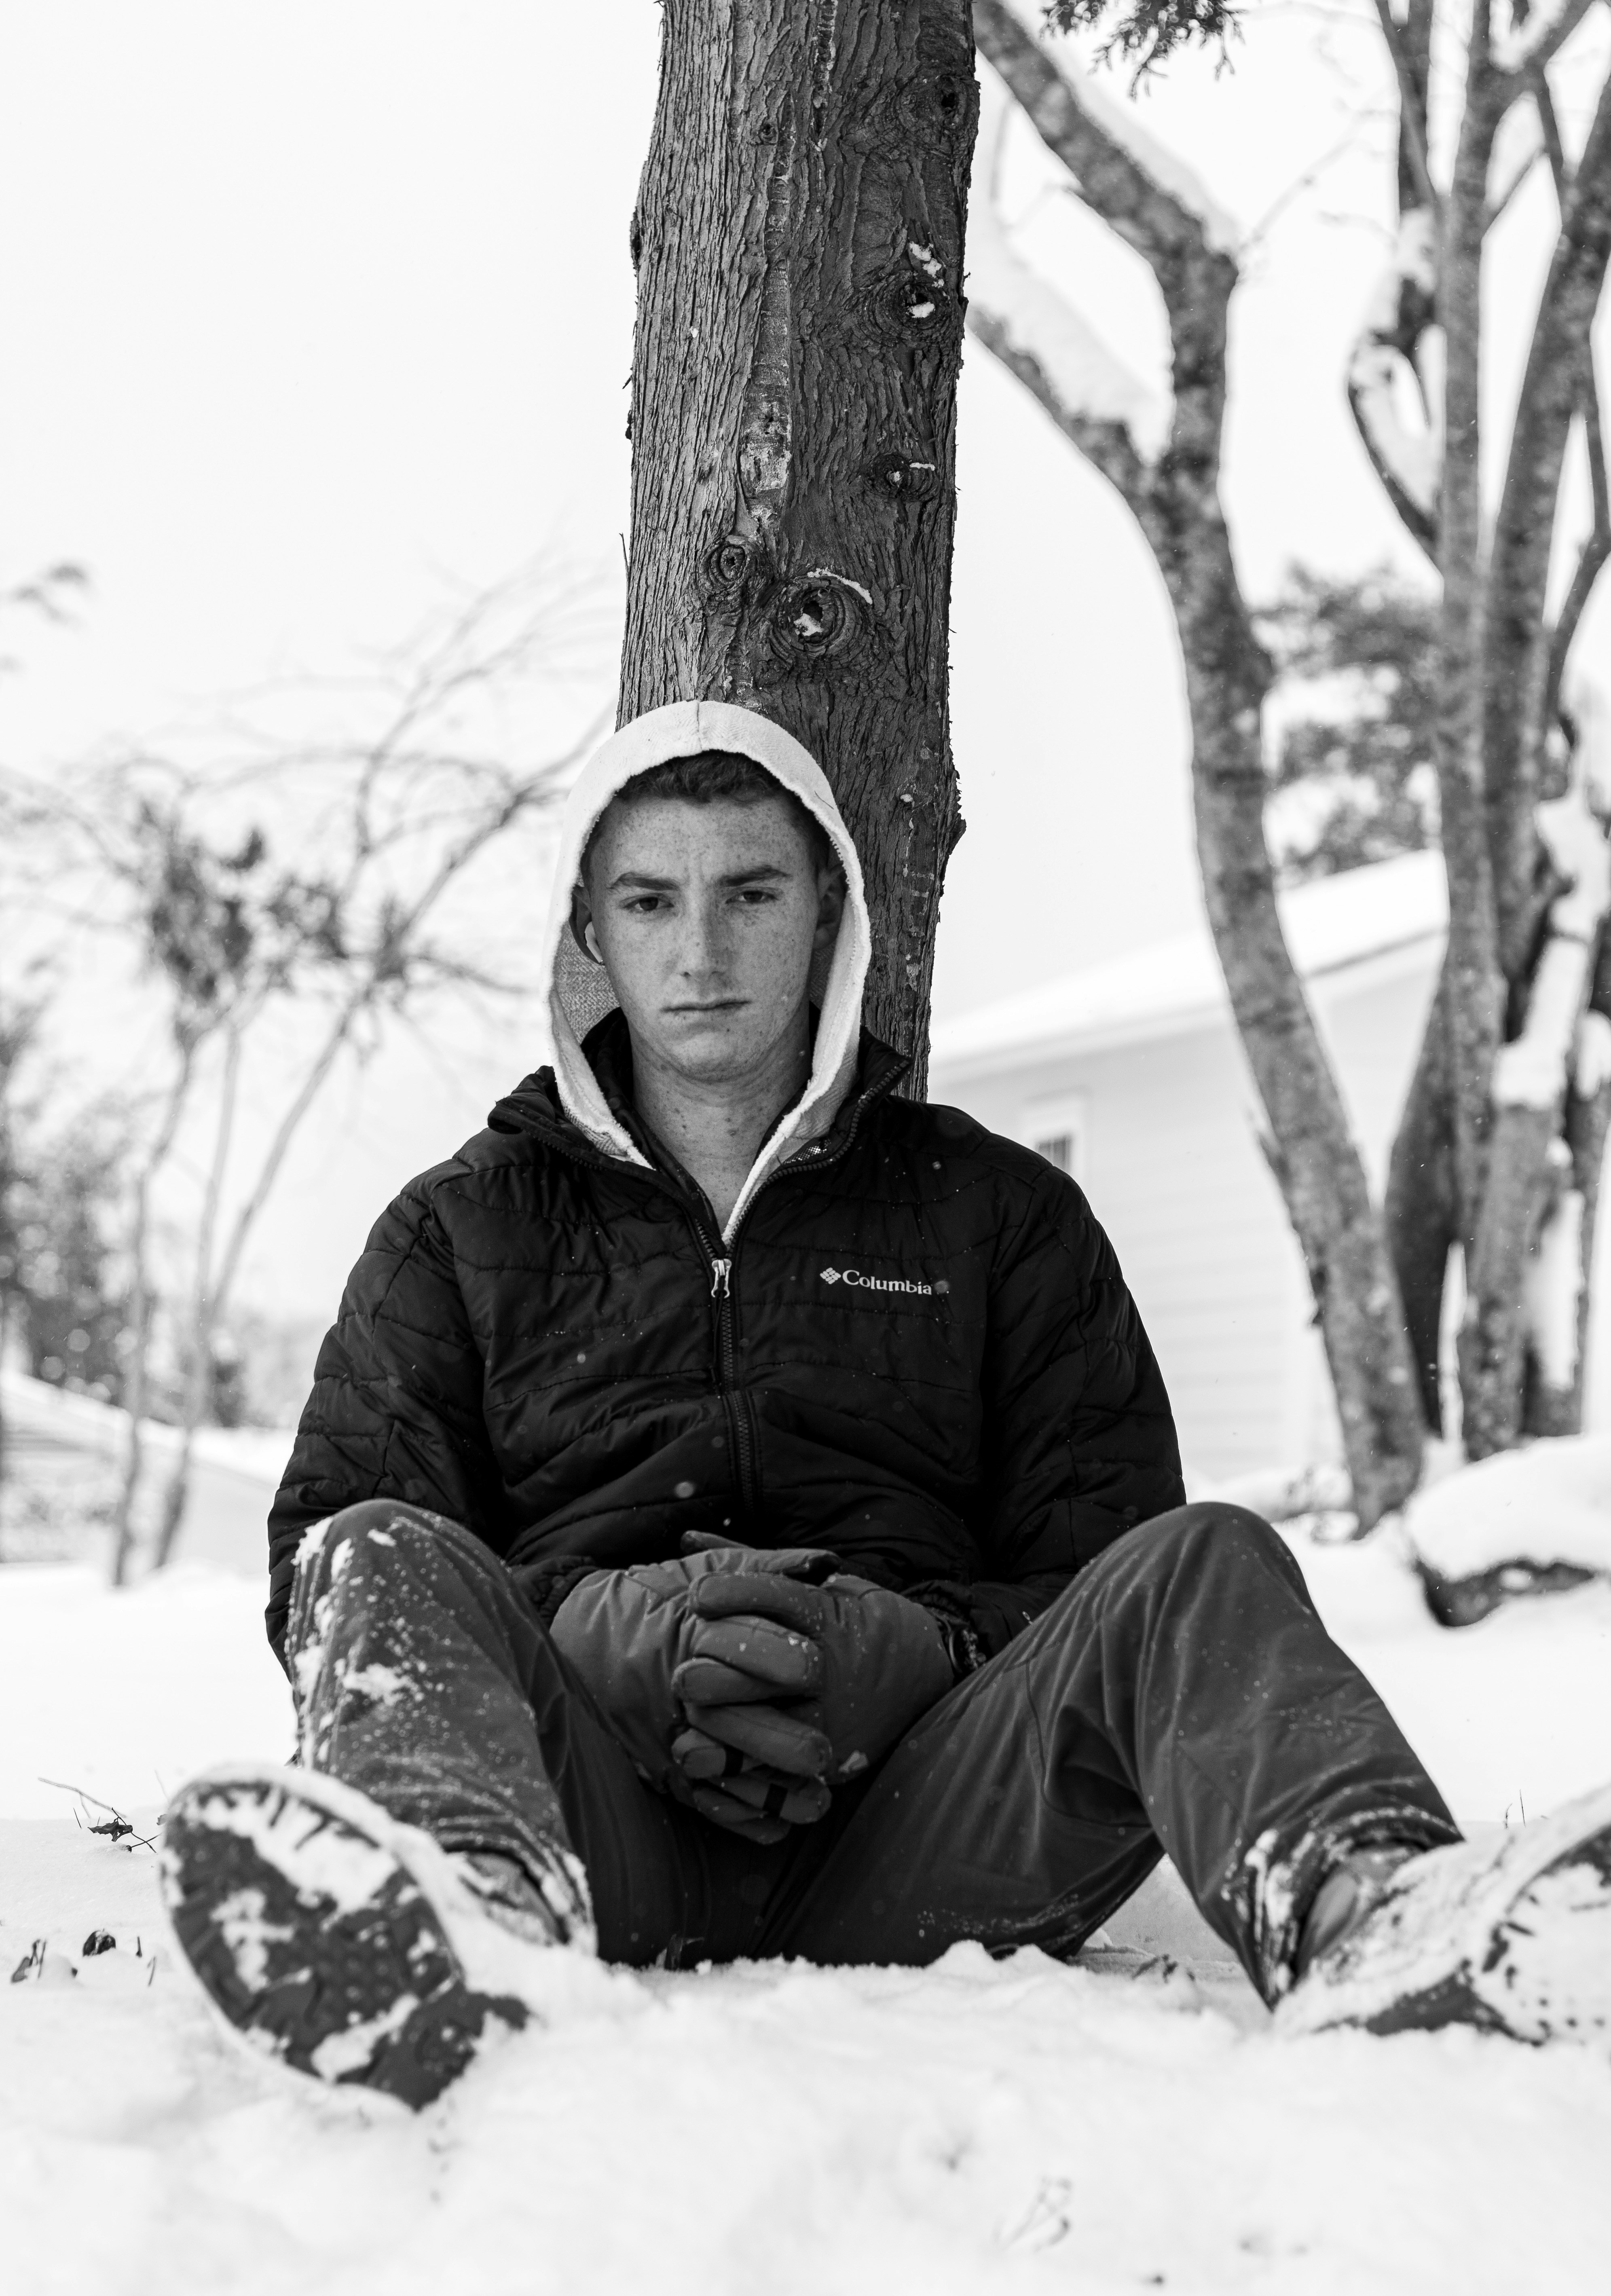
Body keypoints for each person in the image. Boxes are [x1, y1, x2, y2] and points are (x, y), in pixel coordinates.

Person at [160, 702, 1611, 2107]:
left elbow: (1104, 1555)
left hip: (930, 1825)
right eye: (651, 903)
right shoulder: (456, 1232)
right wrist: (597, 1633)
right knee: (374, 1547)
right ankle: (459, 1921)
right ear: (590, 933)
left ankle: (1374, 1918)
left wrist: (915, 1648)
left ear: (831, 915)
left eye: (751, 892)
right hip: (583, 1825)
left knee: (1207, 1561)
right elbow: (324, 1588)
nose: (705, 949)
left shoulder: (999, 1215)